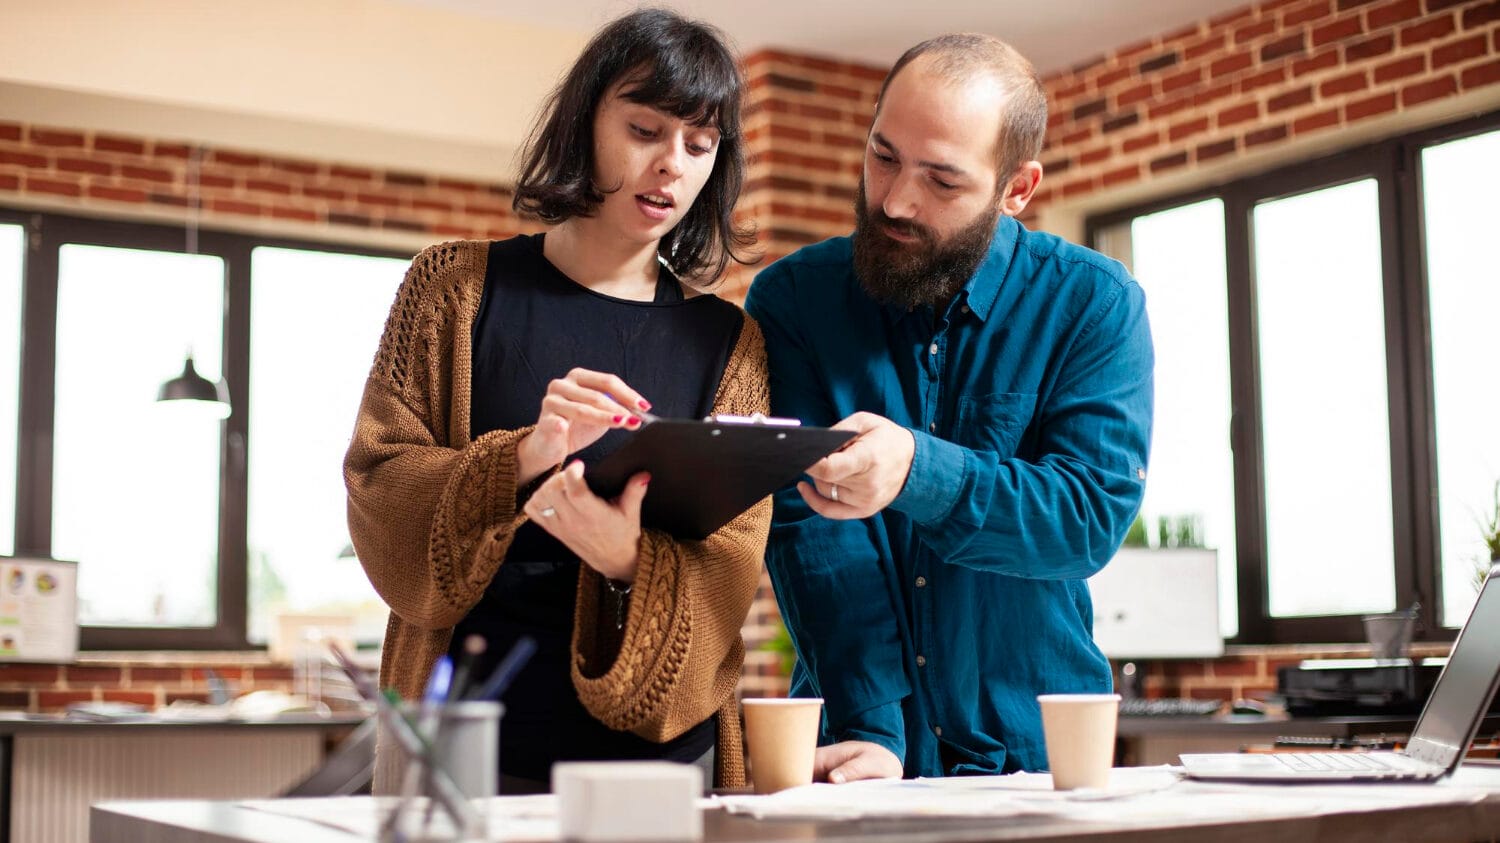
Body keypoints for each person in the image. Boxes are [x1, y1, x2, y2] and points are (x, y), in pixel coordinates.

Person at [344, 8, 769, 793]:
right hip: (466, 760)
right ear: (585, 123)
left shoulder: (729, 342)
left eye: (699, 145)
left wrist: (625, 558)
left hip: (665, 768)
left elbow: (733, 563)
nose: (671, 165)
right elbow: (378, 490)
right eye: (644, 130)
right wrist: (524, 457)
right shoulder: (454, 288)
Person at [744, 33, 1154, 782]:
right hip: (859, 751)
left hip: (1040, 750)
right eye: (883, 156)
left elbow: (1086, 517)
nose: (895, 200)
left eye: (941, 180)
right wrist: (874, 727)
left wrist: (917, 471)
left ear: (1016, 188)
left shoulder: (1094, 303)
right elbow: (810, 532)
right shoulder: (793, 300)